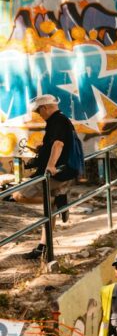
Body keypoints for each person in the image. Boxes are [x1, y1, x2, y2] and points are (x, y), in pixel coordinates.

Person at [11, 94, 84, 259]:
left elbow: (59, 144)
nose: (39, 115)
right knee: (48, 213)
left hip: (56, 173)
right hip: (65, 171)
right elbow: (56, 144)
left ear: (44, 108)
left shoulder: (56, 121)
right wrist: (43, 149)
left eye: (38, 112)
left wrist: (50, 165)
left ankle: (57, 201)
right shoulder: (61, 120)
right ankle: (42, 247)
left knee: (18, 195)